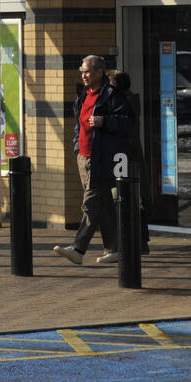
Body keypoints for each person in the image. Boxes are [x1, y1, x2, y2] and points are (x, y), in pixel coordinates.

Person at [54, 55, 134, 266]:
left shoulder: (112, 95)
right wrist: (77, 147)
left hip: (102, 158)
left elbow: (128, 123)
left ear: (99, 72)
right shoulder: (83, 95)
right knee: (103, 203)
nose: (84, 75)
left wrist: (104, 121)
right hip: (84, 157)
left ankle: (78, 249)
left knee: (90, 203)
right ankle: (114, 249)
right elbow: (78, 125)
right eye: (82, 71)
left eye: (88, 71)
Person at [109, 71, 151, 255]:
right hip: (132, 156)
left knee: (124, 198)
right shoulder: (132, 100)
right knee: (135, 199)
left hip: (123, 156)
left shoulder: (121, 104)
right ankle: (140, 241)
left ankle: (131, 241)